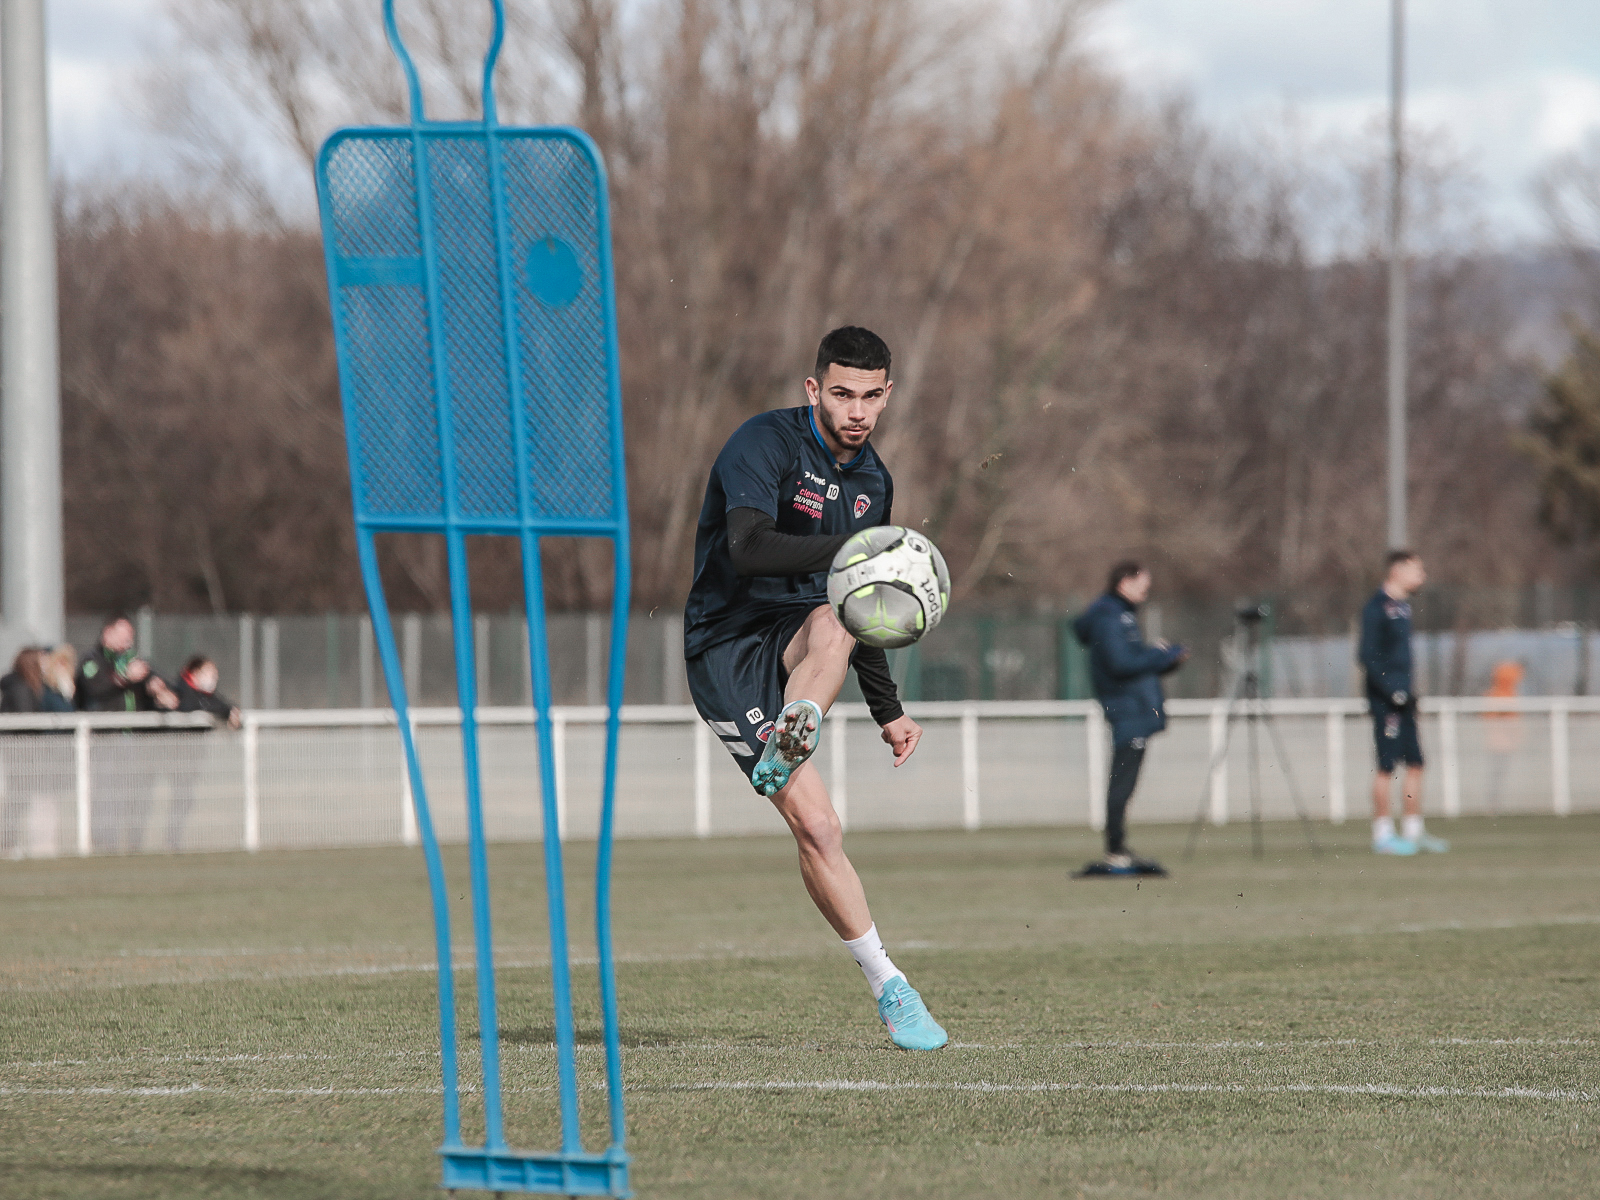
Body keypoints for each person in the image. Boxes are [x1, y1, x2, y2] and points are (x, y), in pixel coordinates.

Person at [682, 325, 946, 1051]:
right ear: (813, 390)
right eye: (840, 393)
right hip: (727, 646)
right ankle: (790, 725)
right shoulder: (763, 444)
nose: (855, 410)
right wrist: (858, 548)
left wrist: (889, 711)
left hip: (809, 638)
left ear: (887, 395)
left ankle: (891, 987)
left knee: (837, 615)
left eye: (869, 396)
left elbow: (862, 599)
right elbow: (746, 548)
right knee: (818, 827)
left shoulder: (874, 482)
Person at [1071, 562, 1187, 877]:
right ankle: (1115, 851)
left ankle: (1119, 848)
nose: (1146, 593)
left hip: (1133, 709)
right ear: (1124, 582)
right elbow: (1121, 663)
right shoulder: (1109, 616)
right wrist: (1162, 655)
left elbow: (1130, 664)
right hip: (1128, 711)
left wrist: (1166, 662)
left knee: (1125, 782)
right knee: (1121, 782)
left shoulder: (1117, 614)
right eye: (1142, 585)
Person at [1359, 550, 1448, 855]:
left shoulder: (1403, 608)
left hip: (1405, 699)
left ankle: (1413, 831)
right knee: (1386, 766)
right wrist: (1390, 689)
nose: (1421, 576)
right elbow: (1367, 656)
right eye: (1416, 570)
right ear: (1397, 571)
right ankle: (1382, 834)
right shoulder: (1376, 607)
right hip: (1387, 701)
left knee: (1416, 763)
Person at [75, 614, 178, 852]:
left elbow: (160, 679)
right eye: (124, 636)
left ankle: (134, 843)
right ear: (107, 634)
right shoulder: (92, 660)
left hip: (137, 739)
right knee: (106, 793)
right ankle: (104, 845)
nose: (128, 642)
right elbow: (94, 689)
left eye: (130, 637)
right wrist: (124, 679)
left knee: (136, 793)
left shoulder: (133, 660)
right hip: (105, 738)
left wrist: (159, 688)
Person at [163, 655, 242, 851]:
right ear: (195, 673)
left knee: (185, 798)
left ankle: (173, 840)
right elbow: (193, 707)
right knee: (178, 797)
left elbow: (220, 705)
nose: (213, 678)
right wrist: (225, 710)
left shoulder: (205, 695)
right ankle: (168, 841)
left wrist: (231, 711)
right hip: (174, 754)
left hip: (192, 757)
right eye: (209, 673)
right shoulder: (181, 690)